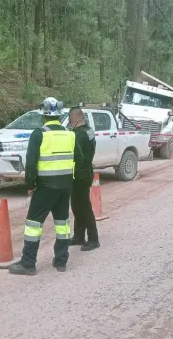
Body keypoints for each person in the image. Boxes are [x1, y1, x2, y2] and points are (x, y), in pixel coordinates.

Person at [9, 97, 75, 275]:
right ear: (60, 116)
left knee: (33, 224)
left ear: (43, 116)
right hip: (65, 186)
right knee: (62, 224)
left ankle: (28, 263)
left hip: (45, 187)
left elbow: (31, 164)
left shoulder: (39, 134)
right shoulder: (70, 134)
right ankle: (61, 261)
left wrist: (30, 185)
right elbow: (77, 159)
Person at [68, 106, 100, 251]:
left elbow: (75, 156)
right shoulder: (89, 130)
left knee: (84, 206)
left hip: (80, 174)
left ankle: (93, 238)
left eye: (70, 120)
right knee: (76, 205)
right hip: (86, 171)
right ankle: (79, 236)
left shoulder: (77, 135)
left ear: (73, 119)